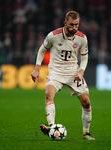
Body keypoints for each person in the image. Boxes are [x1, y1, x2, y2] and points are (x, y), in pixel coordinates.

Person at [31, 11, 95, 140]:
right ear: (65, 23)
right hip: (56, 72)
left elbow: (84, 57)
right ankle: (52, 126)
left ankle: (86, 132)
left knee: (86, 103)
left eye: (76, 25)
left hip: (73, 73)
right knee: (48, 94)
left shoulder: (82, 38)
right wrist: (36, 69)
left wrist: (81, 72)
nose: (74, 28)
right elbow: (42, 49)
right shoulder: (53, 35)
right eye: (71, 25)